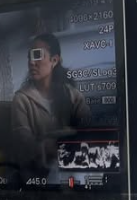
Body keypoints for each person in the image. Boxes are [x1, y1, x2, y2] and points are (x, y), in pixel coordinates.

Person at [11, 32, 91, 178]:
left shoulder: (73, 95)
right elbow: (24, 145)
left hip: (74, 166)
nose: (31, 62)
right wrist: (50, 145)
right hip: (39, 175)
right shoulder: (21, 99)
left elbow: (90, 132)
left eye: (37, 55)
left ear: (54, 60)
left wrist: (57, 141)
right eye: (29, 57)